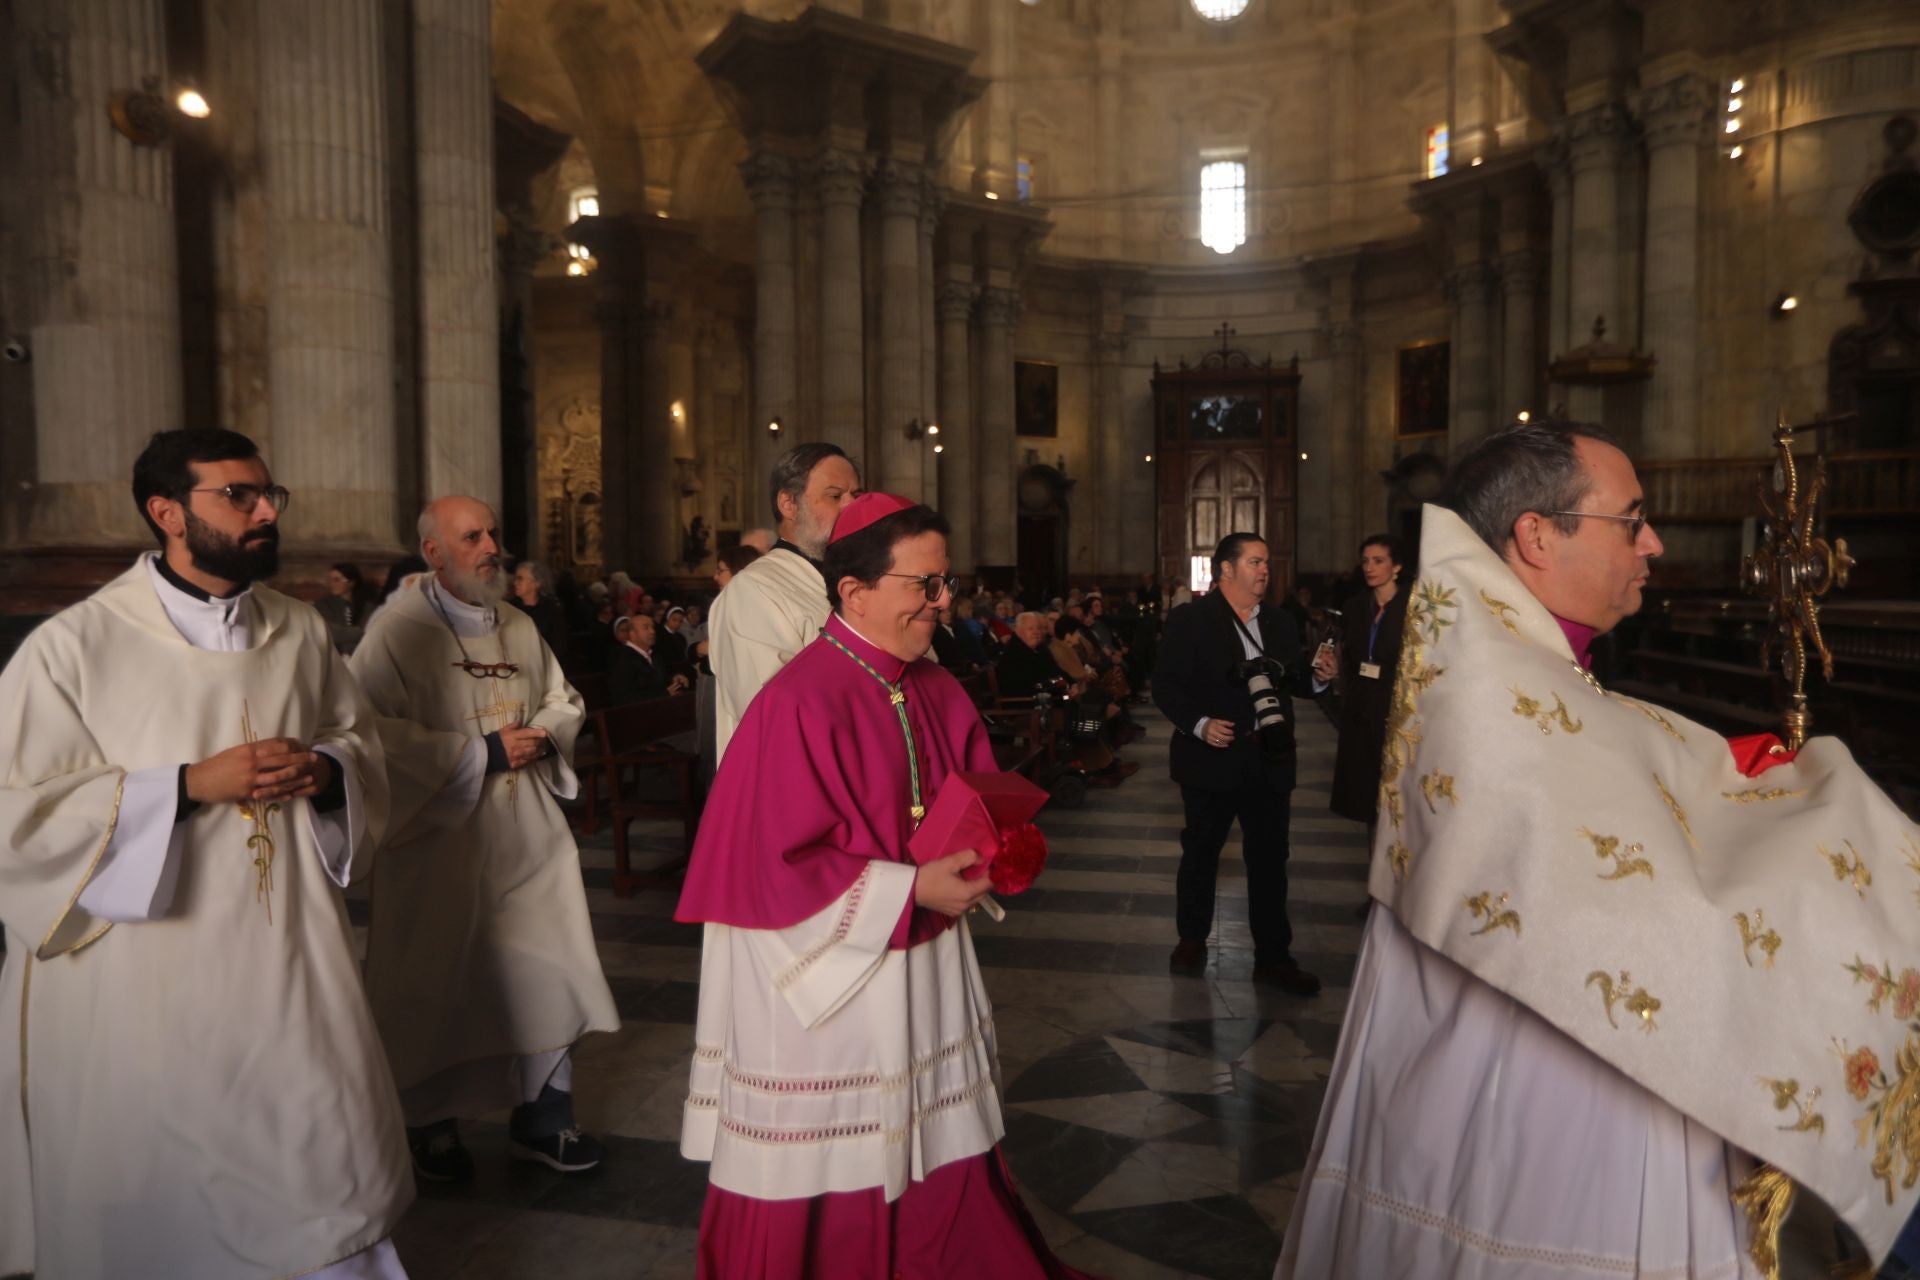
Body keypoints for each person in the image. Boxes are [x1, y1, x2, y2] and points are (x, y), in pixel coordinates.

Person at [1279, 421, 1920, 1277]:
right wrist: (1799, 814)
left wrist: (1729, 781)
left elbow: (1619, 792)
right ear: (1538, 535)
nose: (1653, 542)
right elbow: (1648, 898)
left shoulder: (1529, 671)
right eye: (1632, 519)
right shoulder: (1493, 692)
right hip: (1529, 1092)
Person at [0, 428, 409, 1279]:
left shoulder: (299, 630)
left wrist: (328, 771)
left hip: (290, 955)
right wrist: (186, 786)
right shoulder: (71, 647)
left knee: (318, 1169)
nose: (266, 512)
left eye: (269, 496)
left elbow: (355, 740)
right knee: (167, 1197)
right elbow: (20, 820)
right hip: (147, 983)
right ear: (167, 513)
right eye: (239, 496)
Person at [675, 493, 1088, 1279]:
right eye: (923, 586)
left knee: (938, 1159)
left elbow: (976, 789)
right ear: (855, 593)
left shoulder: (929, 683)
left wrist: (993, 848)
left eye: (945, 584)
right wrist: (909, 891)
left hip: (922, 963)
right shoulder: (795, 701)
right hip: (825, 986)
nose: (942, 603)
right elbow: (771, 868)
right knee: (840, 1164)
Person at [351, 495, 619, 1183]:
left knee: (548, 970)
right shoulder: (397, 632)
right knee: (435, 984)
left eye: (493, 533)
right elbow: (369, 732)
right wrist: (479, 754)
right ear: (434, 552)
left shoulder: (518, 624)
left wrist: (540, 736)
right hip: (435, 840)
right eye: (471, 537)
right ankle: (430, 1128)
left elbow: (564, 699)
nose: (490, 547)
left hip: (526, 834)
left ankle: (545, 1118)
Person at [1153, 534, 1320, 996]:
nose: (1265, 569)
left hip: (1269, 759)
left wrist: (1320, 678)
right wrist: (1200, 724)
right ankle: (1192, 938)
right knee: (1202, 852)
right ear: (1226, 570)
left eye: (1266, 561)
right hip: (1212, 758)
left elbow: (1296, 681)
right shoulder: (1191, 619)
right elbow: (1165, 685)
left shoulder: (1282, 621)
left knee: (1270, 861)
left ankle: (1273, 957)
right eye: (1254, 561)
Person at [708, 442, 861, 763]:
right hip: (792, 779)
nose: (852, 507)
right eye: (835, 496)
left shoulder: (858, 579)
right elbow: (769, 713)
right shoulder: (752, 591)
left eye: (855, 496)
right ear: (788, 504)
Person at [1315, 535, 1408, 828]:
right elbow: (1350, 656)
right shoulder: (1355, 606)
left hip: (1396, 713)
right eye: (1365, 561)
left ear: (1397, 567)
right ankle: (1376, 870)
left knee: (1398, 803)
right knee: (1369, 804)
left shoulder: (1413, 608)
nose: (1369, 567)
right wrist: (1332, 669)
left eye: (1378, 561)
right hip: (1360, 711)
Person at [609, 613, 690, 705]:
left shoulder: (655, 655)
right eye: (646, 628)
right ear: (632, 634)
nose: (652, 631)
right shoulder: (622, 658)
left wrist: (674, 678)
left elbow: (658, 680)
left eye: (652, 627)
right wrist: (664, 694)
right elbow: (623, 698)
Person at [508, 558, 571, 664]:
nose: (515, 583)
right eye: (515, 578)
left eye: (520, 579)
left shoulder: (551, 609)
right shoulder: (510, 607)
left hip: (545, 665)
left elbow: (559, 645)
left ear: (536, 583)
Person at [316, 560, 373, 654]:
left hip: (362, 655)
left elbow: (371, 633)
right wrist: (360, 631)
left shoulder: (367, 607)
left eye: (337, 580)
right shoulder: (323, 605)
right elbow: (329, 632)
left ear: (351, 582)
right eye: (331, 580)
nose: (332, 584)